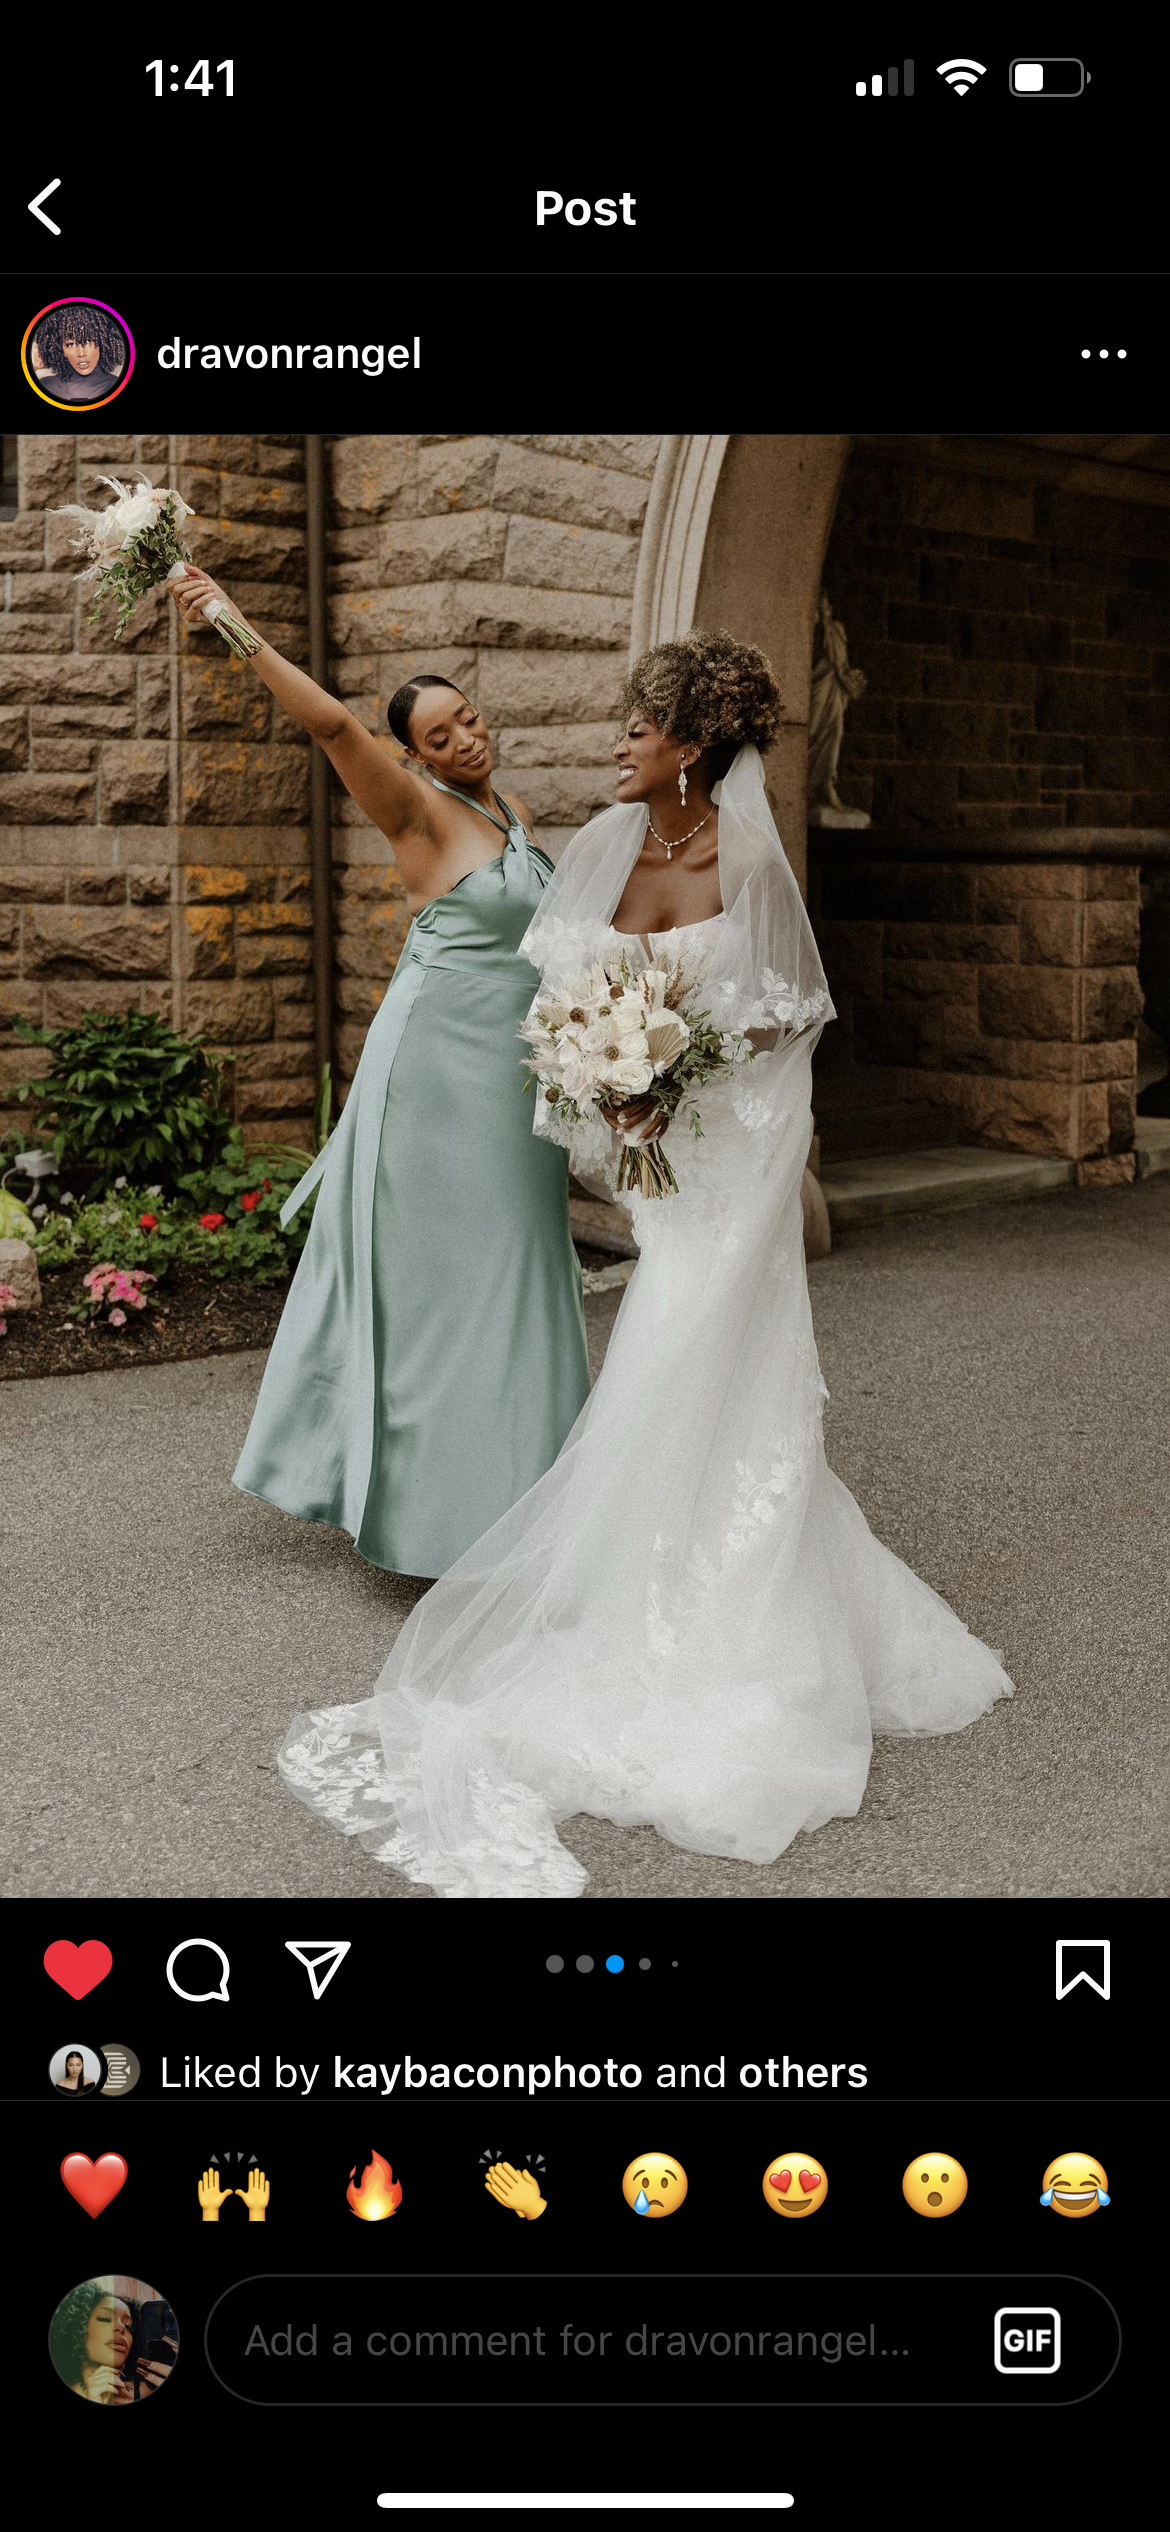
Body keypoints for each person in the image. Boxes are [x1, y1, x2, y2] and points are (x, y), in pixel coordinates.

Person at [278, 628, 1013, 1895]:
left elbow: (788, 1020)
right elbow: (563, 999)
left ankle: (729, 1610)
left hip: (732, 1166)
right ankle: (635, 1582)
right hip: (659, 1172)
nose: (614, 742)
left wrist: (692, 1084)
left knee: (710, 1360)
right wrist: (608, 1092)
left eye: (636, 727)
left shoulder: (745, 856)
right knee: (665, 1360)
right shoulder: (609, 846)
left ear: (691, 744)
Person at [170, 569, 589, 1577]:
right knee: (456, 1282)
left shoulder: (516, 812)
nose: (466, 740)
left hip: (518, 1071)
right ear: (415, 755)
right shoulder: (414, 810)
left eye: (471, 720)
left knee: (528, 1262)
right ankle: (445, 1522)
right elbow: (329, 728)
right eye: (441, 736)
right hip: (437, 1079)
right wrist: (230, 622)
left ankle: (542, 1495)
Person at [48, 2283, 175, 2403]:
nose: (121, 2327)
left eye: (129, 2326)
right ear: (76, 2328)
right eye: (105, 2318)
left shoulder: (148, 2391)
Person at [31, 306, 126, 403]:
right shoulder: (46, 385)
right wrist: (32, 366)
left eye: (89, 341)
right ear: (60, 349)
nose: (81, 353)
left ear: (103, 342)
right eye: (70, 344)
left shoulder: (118, 386)